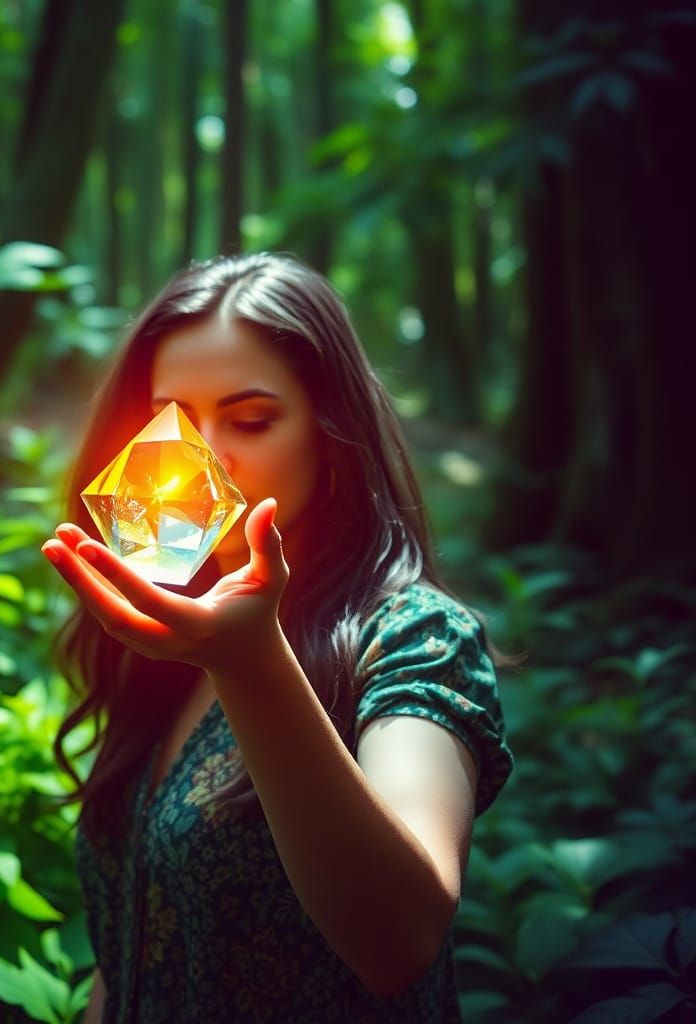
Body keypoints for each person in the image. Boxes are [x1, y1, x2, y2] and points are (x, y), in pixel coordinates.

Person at [41, 252, 513, 1023]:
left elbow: (400, 938)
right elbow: (128, 947)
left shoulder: (414, 639)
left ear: (331, 435)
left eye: (251, 419)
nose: (201, 459)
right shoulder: (165, 642)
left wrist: (251, 661)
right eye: (172, 424)